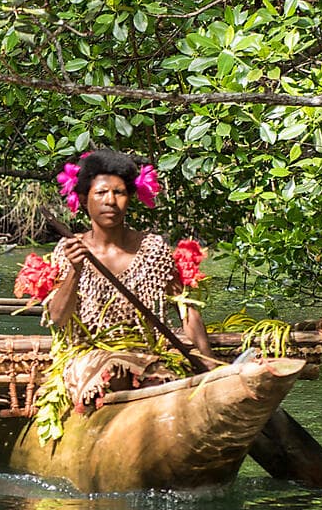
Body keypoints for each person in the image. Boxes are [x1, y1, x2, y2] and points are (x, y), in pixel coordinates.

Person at [36, 150, 213, 436]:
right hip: (88, 357)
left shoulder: (153, 249)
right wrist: (75, 271)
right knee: (114, 370)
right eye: (101, 192)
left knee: (161, 381)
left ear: (130, 198)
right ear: (83, 199)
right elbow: (57, 318)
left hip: (147, 356)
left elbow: (186, 310)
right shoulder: (67, 251)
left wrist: (209, 363)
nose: (110, 201)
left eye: (119, 193)